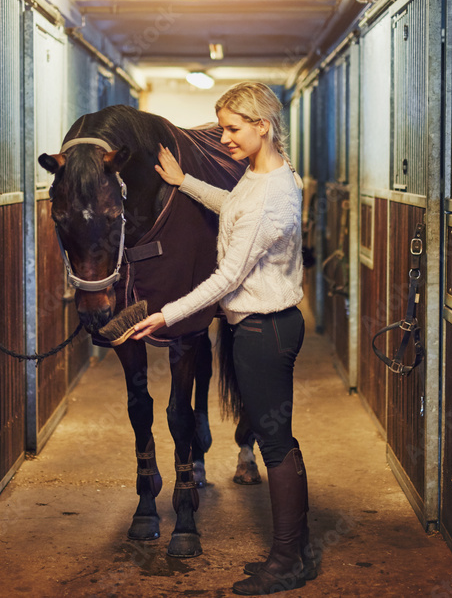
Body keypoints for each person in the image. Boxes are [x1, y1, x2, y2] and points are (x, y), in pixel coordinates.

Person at [131, 81, 314, 595]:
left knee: (275, 446)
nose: (224, 139)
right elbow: (231, 206)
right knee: (282, 441)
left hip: (263, 330)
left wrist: (168, 314)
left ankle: (286, 562)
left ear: (263, 125)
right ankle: (299, 550)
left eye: (233, 129)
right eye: (222, 127)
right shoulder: (262, 178)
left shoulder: (271, 193)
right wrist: (184, 180)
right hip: (263, 326)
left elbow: (227, 277)